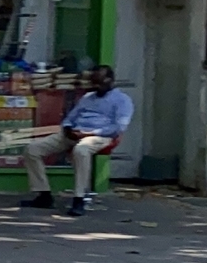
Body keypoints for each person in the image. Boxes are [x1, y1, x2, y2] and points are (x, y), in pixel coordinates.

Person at [20, 66, 131, 216]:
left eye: (99, 83)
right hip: (75, 133)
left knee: (81, 150)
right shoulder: (87, 98)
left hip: (99, 135)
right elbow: (71, 117)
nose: (96, 86)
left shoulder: (122, 100)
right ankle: (43, 194)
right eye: (93, 83)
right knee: (32, 149)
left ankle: (79, 198)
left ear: (109, 80)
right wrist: (67, 129)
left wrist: (90, 133)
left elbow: (118, 127)